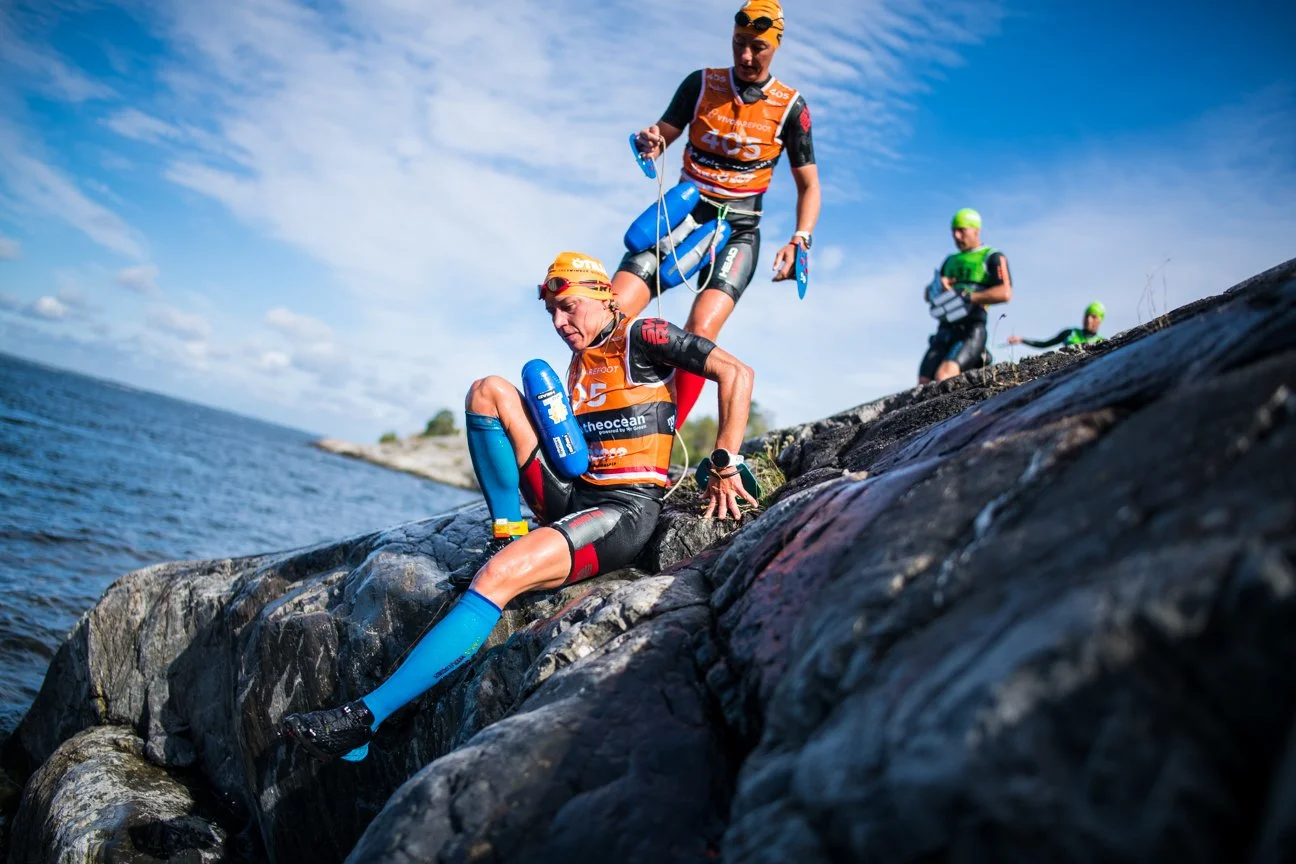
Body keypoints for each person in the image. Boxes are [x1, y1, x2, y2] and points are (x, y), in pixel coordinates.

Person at [281, 252, 757, 762]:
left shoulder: (644, 337)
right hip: (572, 492)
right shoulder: (577, 362)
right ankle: (507, 527)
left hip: (621, 509)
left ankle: (364, 721)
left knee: (496, 578)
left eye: (569, 308)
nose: (560, 323)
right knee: (488, 391)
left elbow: (736, 373)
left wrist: (725, 461)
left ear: (604, 297)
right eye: (552, 312)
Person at [617, 0, 820, 427]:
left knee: (700, 331)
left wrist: (800, 238)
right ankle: (604, 415)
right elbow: (661, 137)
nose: (746, 56)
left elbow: (809, 186)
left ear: (775, 46)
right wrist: (650, 141)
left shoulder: (791, 107)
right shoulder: (700, 84)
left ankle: (663, 434)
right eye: (739, 44)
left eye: (757, 48)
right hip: (683, 213)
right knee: (614, 310)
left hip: (738, 229)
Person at [919, 208, 1013, 384]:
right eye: (953, 231)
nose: (956, 236)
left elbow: (1005, 292)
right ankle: (979, 360)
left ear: (976, 230)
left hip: (971, 328)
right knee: (923, 382)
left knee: (944, 376)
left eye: (962, 230)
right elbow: (927, 295)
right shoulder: (949, 260)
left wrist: (968, 297)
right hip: (945, 329)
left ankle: (979, 358)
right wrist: (938, 286)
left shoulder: (991, 256)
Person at [1008, 302, 1106, 348]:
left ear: (1100, 320)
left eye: (1093, 317)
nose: (1088, 320)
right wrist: (1021, 340)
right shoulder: (1070, 333)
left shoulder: (1102, 342)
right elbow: (1044, 344)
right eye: (1086, 316)